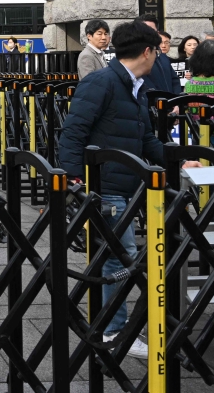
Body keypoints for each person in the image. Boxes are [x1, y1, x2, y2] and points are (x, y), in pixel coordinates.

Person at [58, 20, 200, 359]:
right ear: (148, 51)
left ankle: (110, 330)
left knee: (116, 259)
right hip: (104, 187)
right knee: (120, 259)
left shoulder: (133, 86)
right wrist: (75, 182)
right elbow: (73, 133)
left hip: (123, 184)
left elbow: (145, 137)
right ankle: (113, 332)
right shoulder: (102, 82)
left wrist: (178, 162)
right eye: (157, 51)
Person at [137, 15, 181, 94]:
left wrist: (176, 101)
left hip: (171, 103)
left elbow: (175, 80)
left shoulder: (162, 55)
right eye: (145, 30)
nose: (149, 33)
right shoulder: (135, 57)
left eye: (152, 30)